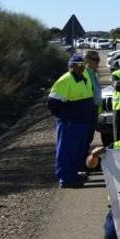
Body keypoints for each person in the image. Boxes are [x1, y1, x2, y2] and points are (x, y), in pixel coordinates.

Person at [47, 54, 96, 188]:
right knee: (66, 151)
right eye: (77, 65)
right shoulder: (65, 80)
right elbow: (52, 104)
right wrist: (69, 116)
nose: (81, 67)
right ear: (71, 66)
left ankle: (73, 174)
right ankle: (65, 178)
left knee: (78, 151)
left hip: (82, 122)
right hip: (69, 123)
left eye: (82, 65)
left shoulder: (84, 78)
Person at [82, 50, 102, 155]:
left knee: (89, 137)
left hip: (93, 109)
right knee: (84, 137)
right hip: (87, 110)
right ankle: (81, 161)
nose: (97, 62)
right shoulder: (85, 73)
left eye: (98, 59)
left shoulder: (93, 73)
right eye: (95, 59)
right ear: (87, 60)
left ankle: (84, 159)